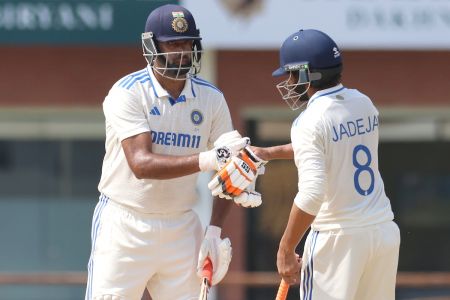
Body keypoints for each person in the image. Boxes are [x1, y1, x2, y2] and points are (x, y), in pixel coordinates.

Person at [85, 4, 255, 300]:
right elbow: (141, 164)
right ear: (152, 46)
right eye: (172, 44)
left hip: (181, 223)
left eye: (187, 43)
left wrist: (214, 230)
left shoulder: (211, 98)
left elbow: (234, 162)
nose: (182, 52)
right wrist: (208, 159)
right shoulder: (127, 92)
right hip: (125, 224)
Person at [250, 29, 401, 299]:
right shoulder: (362, 103)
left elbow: (312, 194)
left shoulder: (308, 121)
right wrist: (268, 152)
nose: (289, 82)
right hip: (382, 232)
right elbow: (331, 147)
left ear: (308, 74)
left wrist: (286, 248)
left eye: (292, 75)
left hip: (337, 238)